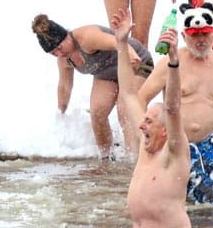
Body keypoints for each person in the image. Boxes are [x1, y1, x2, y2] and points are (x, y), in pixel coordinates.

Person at [138, 2, 213, 204]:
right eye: (195, 35)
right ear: (184, 35)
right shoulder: (170, 63)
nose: (201, 40)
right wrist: (146, 139)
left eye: (205, 34)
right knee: (168, 203)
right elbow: (142, 97)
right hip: (173, 143)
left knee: (207, 208)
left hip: (209, 144)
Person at [111, 8, 198, 228]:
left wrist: (173, 62)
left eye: (149, 121)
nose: (142, 125)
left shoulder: (174, 152)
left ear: (165, 131)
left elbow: (173, 107)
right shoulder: (145, 145)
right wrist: (121, 43)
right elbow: (128, 93)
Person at [31, 12, 153, 157]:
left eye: (59, 48)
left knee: (124, 108)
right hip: (107, 74)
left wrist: (132, 56)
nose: (59, 54)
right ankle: (106, 157)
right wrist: (60, 112)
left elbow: (117, 42)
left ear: (66, 36)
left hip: (135, 62)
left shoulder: (86, 37)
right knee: (97, 112)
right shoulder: (63, 59)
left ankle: (134, 157)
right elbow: (64, 86)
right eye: (53, 53)